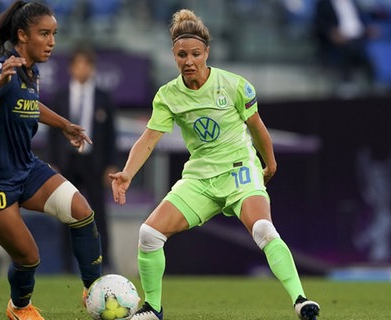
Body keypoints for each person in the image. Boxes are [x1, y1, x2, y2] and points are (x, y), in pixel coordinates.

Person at [109, 8, 320, 320]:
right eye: (182, 55)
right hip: (200, 177)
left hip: (239, 170)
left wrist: (270, 163)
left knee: (262, 228)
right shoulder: (168, 96)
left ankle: (301, 300)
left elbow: (257, 128)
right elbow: (148, 139)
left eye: (195, 54)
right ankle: (153, 310)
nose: (189, 61)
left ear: (207, 52)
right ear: (173, 55)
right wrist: (127, 172)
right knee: (149, 235)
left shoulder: (234, 85)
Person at [0, 2, 102, 319]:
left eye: (54, 34)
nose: (51, 41)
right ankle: (19, 307)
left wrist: (64, 124)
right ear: (22, 35)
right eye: (44, 34)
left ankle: (96, 292)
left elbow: (30, 104)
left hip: (25, 168)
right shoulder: (4, 67)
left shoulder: (32, 71)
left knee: (82, 211)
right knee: (29, 257)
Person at [47, 45, 118, 273]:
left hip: (94, 163)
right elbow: (51, 133)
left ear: (92, 68)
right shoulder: (60, 96)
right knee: (66, 211)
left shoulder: (103, 98)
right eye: (78, 64)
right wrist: (52, 161)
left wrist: (111, 163)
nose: (82, 69)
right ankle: (66, 264)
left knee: (98, 213)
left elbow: (110, 135)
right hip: (66, 162)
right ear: (70, 68)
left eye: (86, 64)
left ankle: (104, 260)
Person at [313, 0, 376, 93]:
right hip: (337, 41)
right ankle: (347, 84)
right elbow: (319, 25)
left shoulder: (354, 3)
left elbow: (362, 20)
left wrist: (368, 29)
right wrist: (331, 33)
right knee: (349, 48)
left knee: (373, 49)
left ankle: (375, 83)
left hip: (359, 37)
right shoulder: (324, 4)